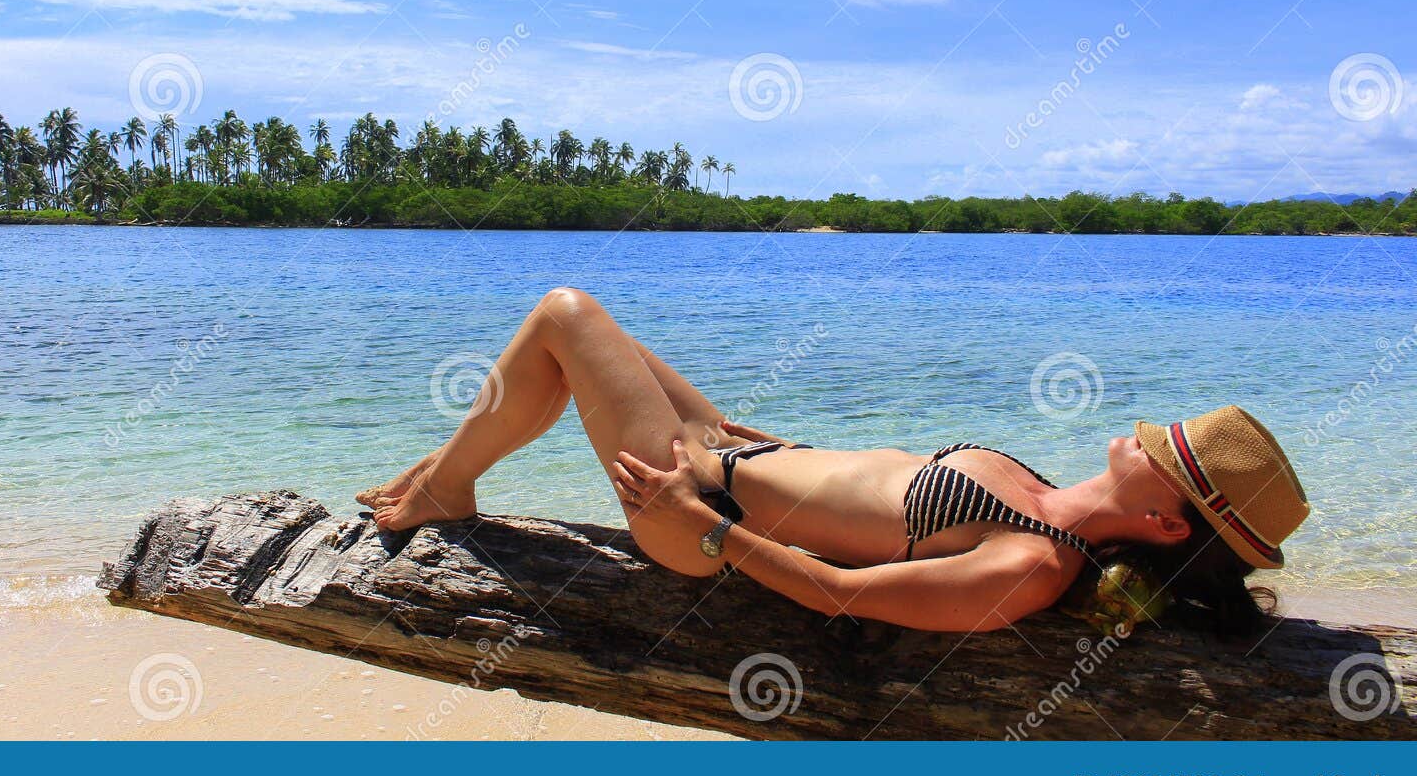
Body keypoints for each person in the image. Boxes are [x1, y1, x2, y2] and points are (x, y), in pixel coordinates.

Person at [360, 288, 1309, 634]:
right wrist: (754, 444)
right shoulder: (1039, 492)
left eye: (1173, 453)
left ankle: (446, 486)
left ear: (1167, 524)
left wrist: (712, 530)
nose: (1155, 429)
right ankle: (448, 472)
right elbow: (868, 484)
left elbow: (840, 593)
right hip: (737, 453)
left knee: (567, 315)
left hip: (690, 513)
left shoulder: (1032, 561)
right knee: (602, 333)